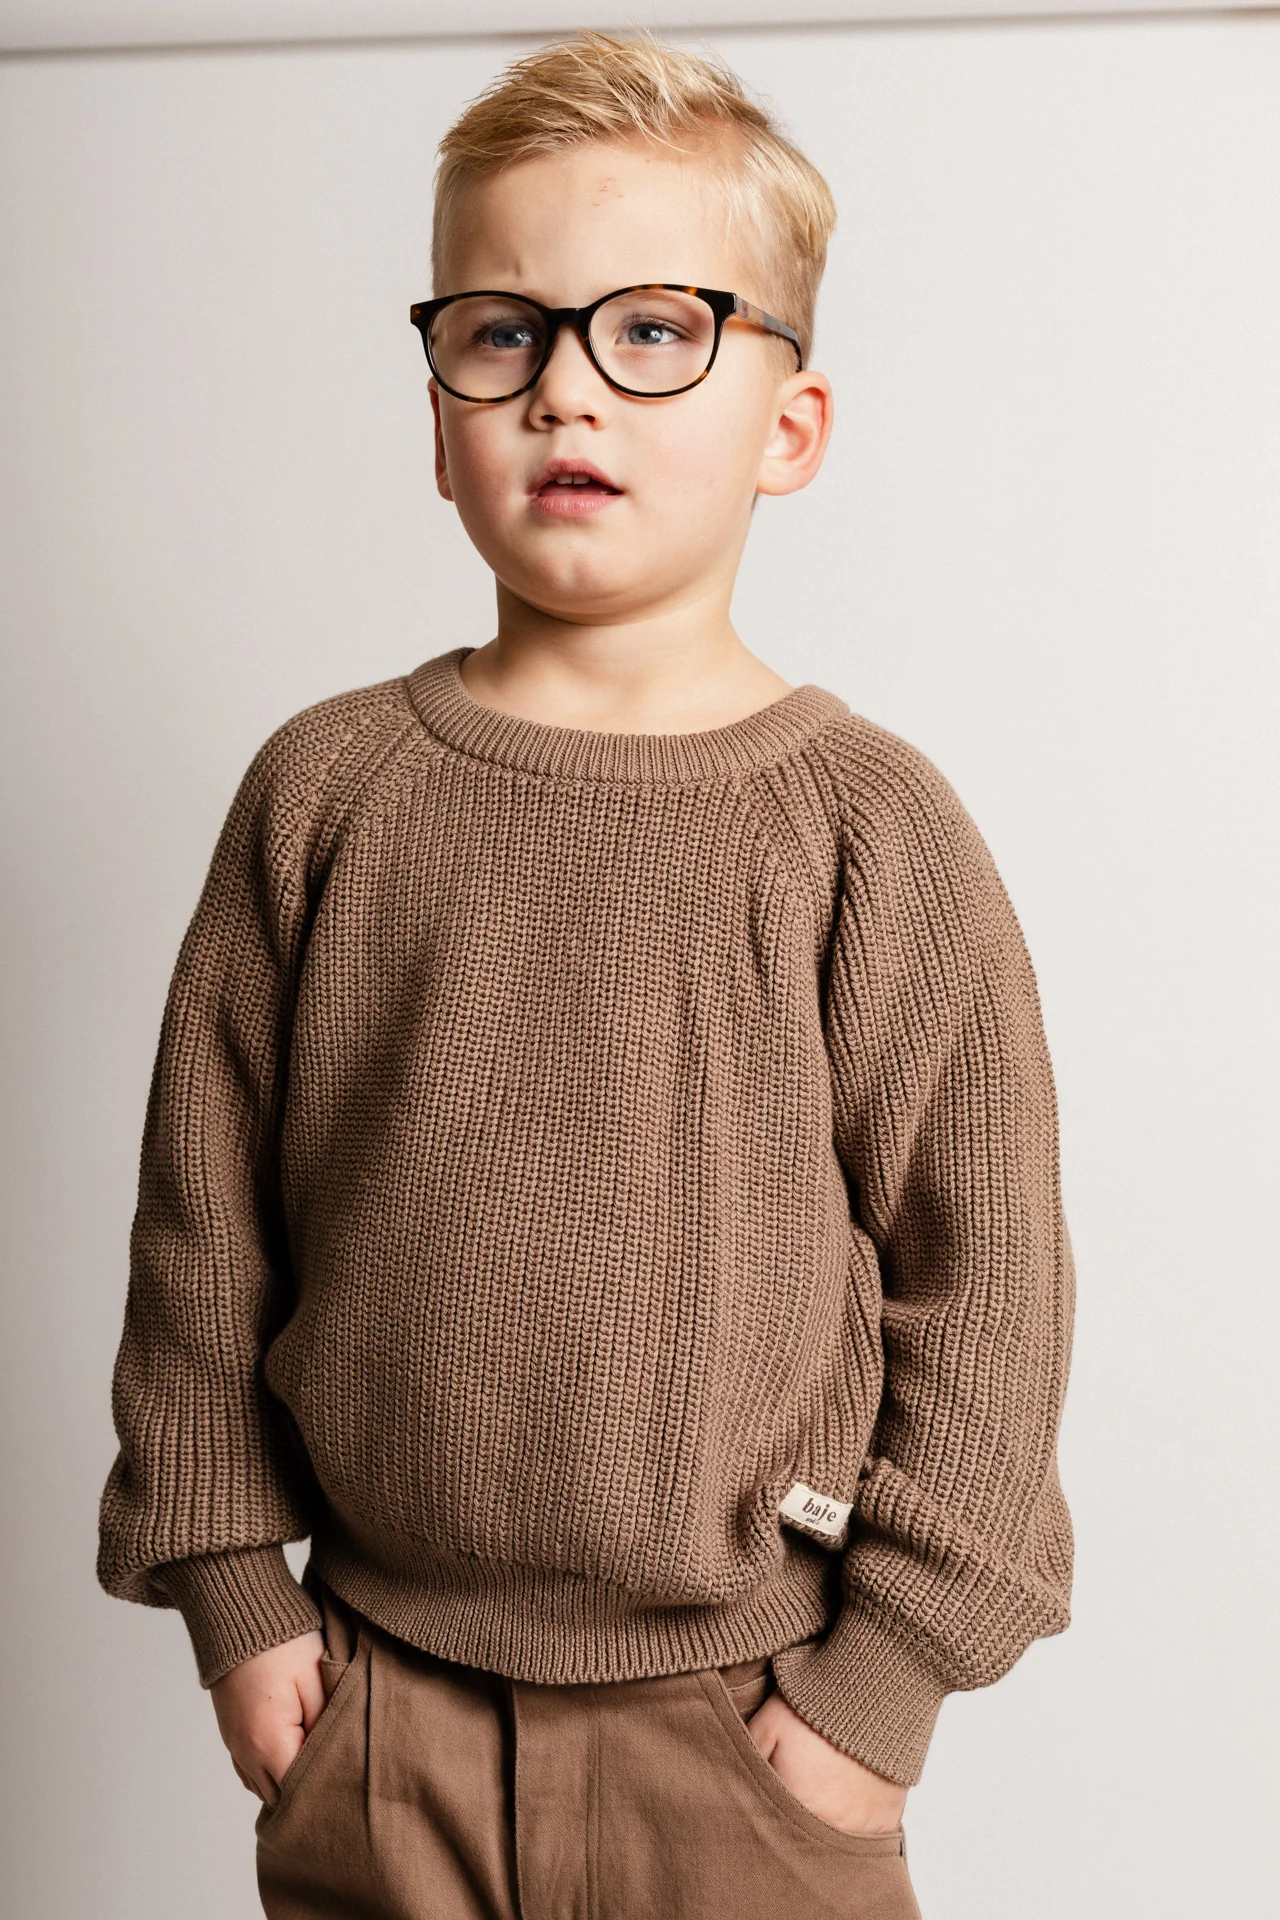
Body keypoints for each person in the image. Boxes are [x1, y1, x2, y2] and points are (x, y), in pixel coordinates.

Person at [96, 29, 1076, 1920]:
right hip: (375, 1707)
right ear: (437, 419)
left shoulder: (870, 829)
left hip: (749, 1720)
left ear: (789, 428)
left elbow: (991, 1280)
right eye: (503, 332)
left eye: (652, 331)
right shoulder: (326, 791)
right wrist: (234, 1596)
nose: (565, 389)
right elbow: (201, 1225)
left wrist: (878, 1691)